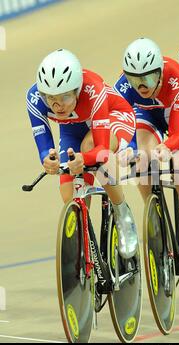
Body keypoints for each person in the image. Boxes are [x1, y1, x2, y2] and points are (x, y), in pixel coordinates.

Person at [114, 38, 179, 295]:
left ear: (159, 71)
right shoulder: (123, 88)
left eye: (147, 77)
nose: (141, 85)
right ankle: (156, 222)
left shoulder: (177, 79)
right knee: (141, 166)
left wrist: (167, 147)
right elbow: (124, 126)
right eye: (135, 79)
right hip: (149, 114)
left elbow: (177, 135)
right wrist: (128, 149)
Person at [26, 48, 138, 259]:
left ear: (77, 90)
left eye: (65, 97)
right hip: (72, 130)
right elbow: (44, 144)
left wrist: (84, 160)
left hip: (114, 116)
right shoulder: (34, 97)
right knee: (71, 197)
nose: (57, 105)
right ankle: (87, 251)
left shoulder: (93, 90)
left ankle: (123, 214)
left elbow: (102, 150)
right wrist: (47, 159)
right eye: (50, 98)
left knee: (91, 150)